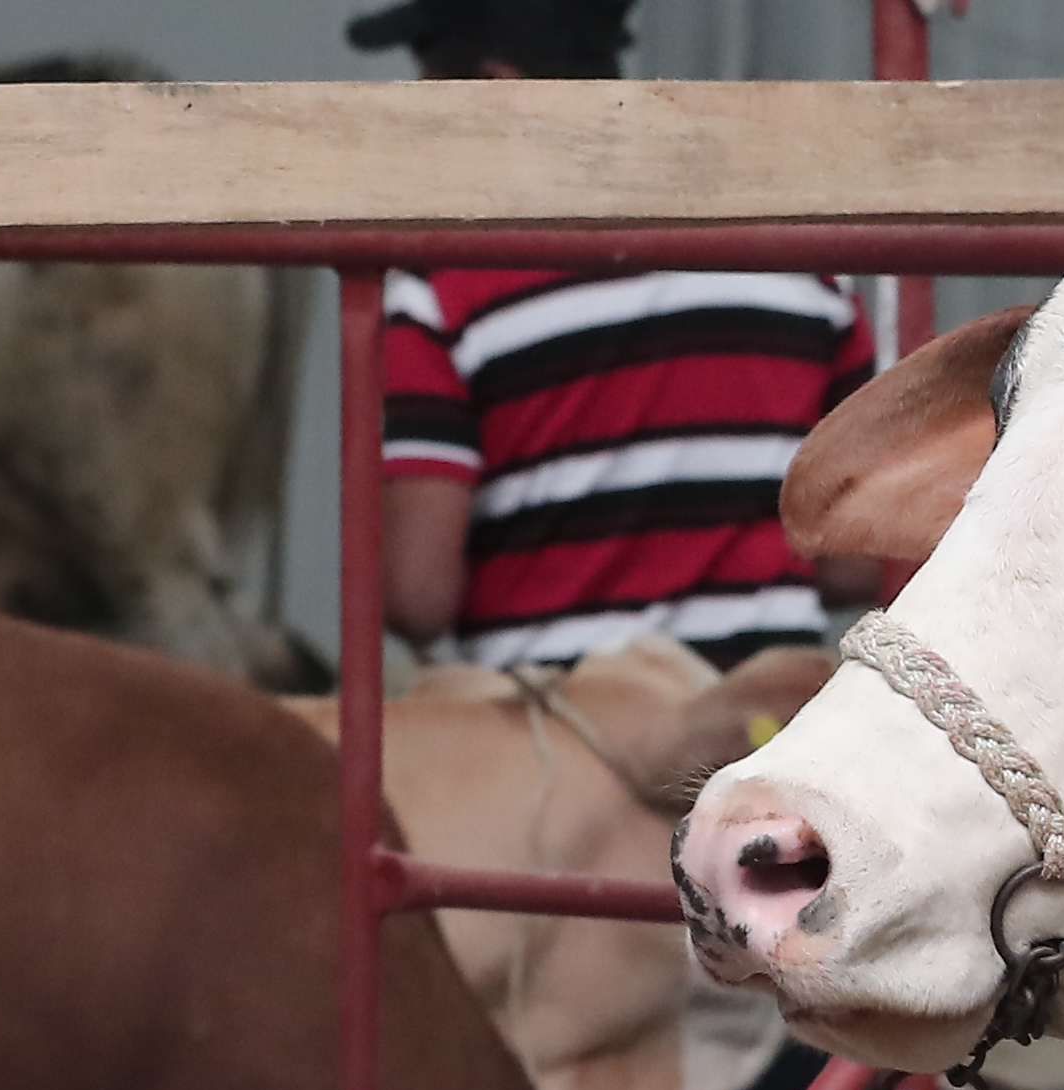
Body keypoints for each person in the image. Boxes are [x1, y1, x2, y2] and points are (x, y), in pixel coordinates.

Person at [349, 0, 881, 667]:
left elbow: (416, 597)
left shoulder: (443, 294)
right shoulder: (802, 269)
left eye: (429, 100)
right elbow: (857, 562)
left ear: (495, 91)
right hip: (762, 718)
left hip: (555, 721)